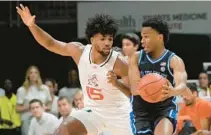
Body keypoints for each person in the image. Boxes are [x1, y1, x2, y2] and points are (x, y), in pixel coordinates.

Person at [16, 4, 132, 135]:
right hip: (93, 112)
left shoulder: (119, 63)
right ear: (92, 39)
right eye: (103, 39)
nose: (107, 43)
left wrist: (116, 83)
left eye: (110, 39)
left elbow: (133, 93)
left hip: (119, 114)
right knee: (64, 130)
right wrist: (32, 26)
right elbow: (50, 43)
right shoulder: (79, 52)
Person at [128, 18, 191, 135]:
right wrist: (152, 88)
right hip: (141, 111)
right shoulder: (136, 57)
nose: (142, 41)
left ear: (159, 37)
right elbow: (134, 90)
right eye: (141, 37)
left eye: (146, 37)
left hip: (164, 109)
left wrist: (173, 91)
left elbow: (182, 85)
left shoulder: (174, 60)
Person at [16, 65, 52, 135]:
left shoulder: (45, 88)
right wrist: (30, 107)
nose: (33, 75)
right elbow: (17, 109)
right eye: (31, 73)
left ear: (38, 75)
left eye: (35, 73)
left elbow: (49, 105)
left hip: (43, 120)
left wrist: (45, 107)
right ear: (27, 75)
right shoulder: (22, 90)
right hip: (27, 120)